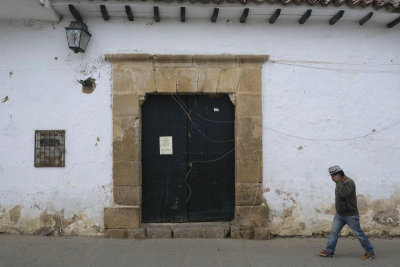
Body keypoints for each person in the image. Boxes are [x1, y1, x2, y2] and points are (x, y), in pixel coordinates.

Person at [317, 166, 375, 260]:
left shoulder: (349, 182)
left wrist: (338, 182)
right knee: (334, 233)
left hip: (350, 215)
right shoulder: (339, 183)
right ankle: (329, 251)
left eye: (333, 176)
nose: (332, 178)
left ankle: (370, 252)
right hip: (340, 214)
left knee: (359, 233)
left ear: (339, 174)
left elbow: (344, 194)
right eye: (331, 176)